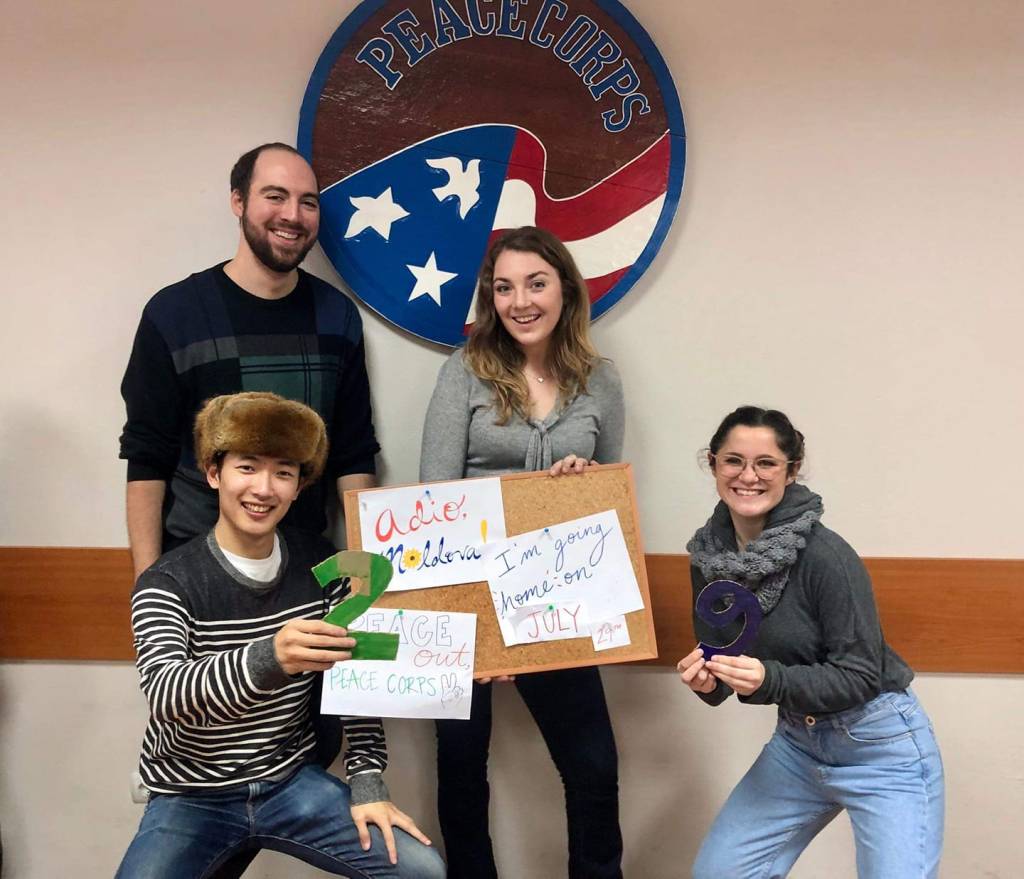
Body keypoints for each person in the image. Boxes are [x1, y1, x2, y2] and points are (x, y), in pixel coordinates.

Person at [116, 392, 445, 879]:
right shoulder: (167, 581)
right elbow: (167, 695)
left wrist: (367, 783)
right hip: (191, 793)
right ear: (214, 473)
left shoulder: (324, 568)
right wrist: (270, 657)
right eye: (247, 467)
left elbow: (355, 683)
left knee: (422, 870)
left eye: (284, 473)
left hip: (289, 783)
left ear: (298, 488)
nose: (264, 488)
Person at [419, 226, 625, 878]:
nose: (521, 301)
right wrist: (483, 630)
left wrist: (582, 483)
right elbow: (434, 498)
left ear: (565, 289)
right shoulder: (464, 371)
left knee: (593, 767)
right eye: (504, 288)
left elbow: (607, 503)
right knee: (461, 766)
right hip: (464, 603)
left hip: (553, 601)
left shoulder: (600, 381)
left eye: (536, 284)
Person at [677, 406, 944, 879]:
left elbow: (860, 675)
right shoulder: (709, 557)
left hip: (879, 745)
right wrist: (707, 682)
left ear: (791, 470)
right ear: (713, 464)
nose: (748, 476)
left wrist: (769, 680)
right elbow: (722, 661)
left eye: (766, 463)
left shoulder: (825, 555)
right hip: (798, 744)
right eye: (734, 460)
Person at [119, 142, 379, 582]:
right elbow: (147, 456)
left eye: (308, 202)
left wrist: (363, 577)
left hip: (304, 572)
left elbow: (353, 454)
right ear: (238, 201)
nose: (292, 215)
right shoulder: (174, 314)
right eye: (275, 196)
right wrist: (148, 587)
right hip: (196, 572)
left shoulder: (337, 316)